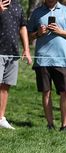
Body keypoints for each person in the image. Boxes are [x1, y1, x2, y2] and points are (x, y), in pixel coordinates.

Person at [28, 0, 66, 131]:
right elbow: (28, 36)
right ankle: (50, 124)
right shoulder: (37, 13)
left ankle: (64, 125)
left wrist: (59, 31)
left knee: (64, 92)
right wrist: (38, 33)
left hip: (61, 60)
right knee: (46, 92)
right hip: (42, 59)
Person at [0, 0, 32, 130]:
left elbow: (22, 27)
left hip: (13, 52)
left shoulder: (17, 5)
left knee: (6, 86)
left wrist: (26, 49)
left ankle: (1, 117)